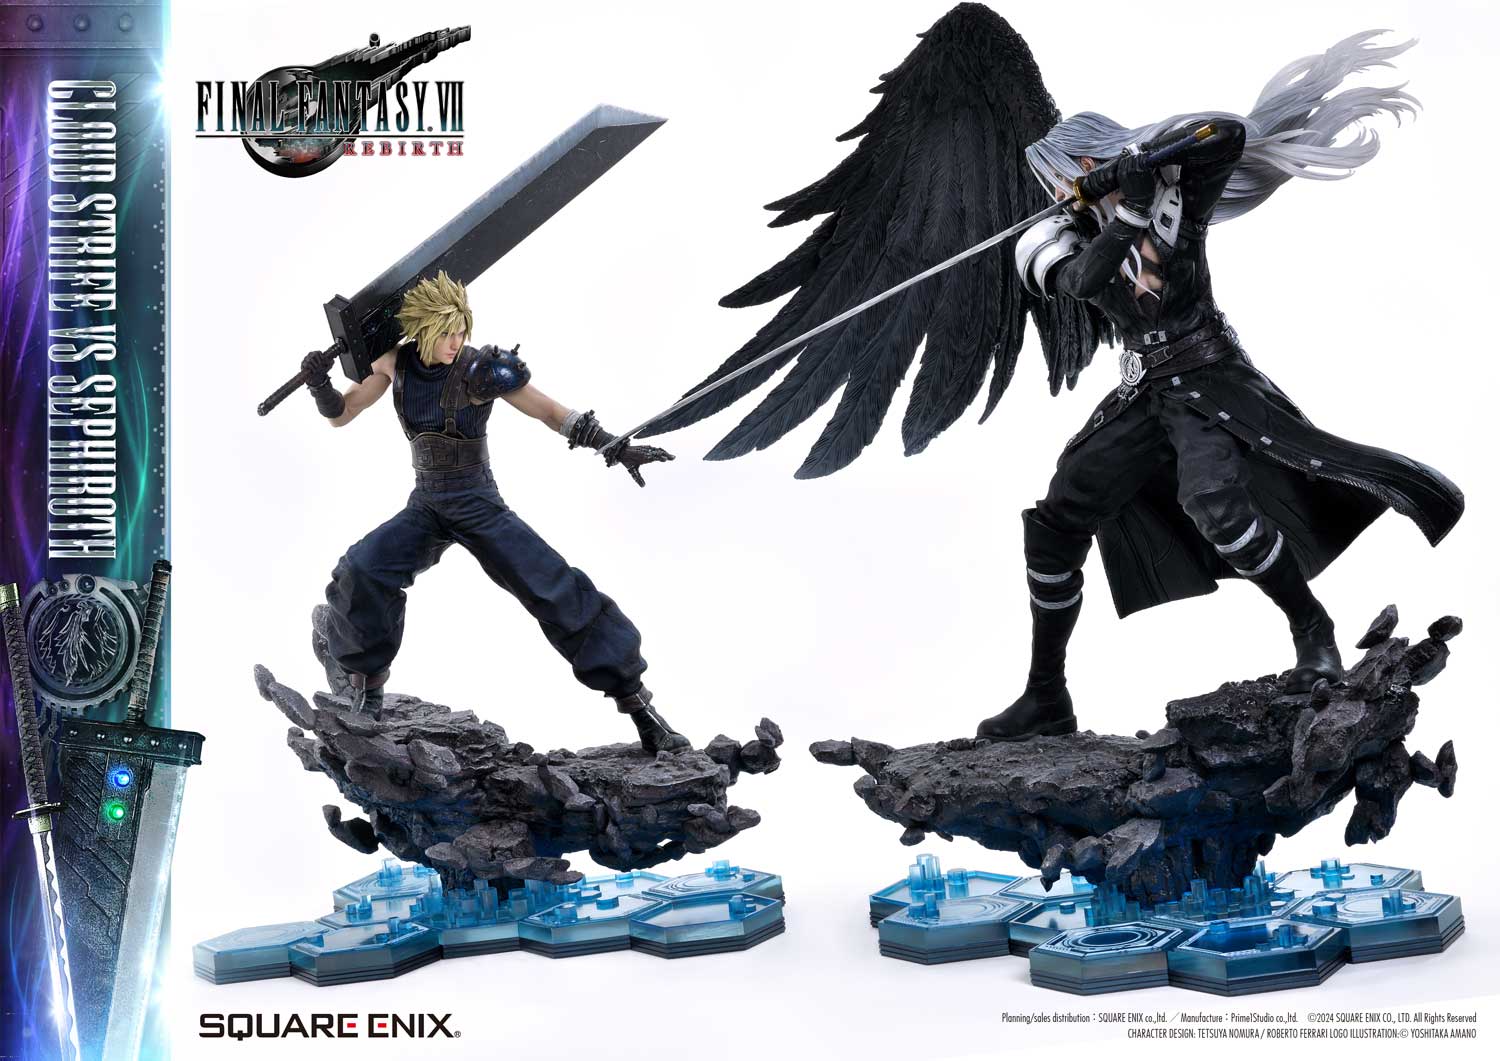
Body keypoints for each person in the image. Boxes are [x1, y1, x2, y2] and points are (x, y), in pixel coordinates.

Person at [299, 271, 690, 752]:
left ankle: (641, 709)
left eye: (461, 329)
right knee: (362, 570)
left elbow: (548, 411)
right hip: (427, 503)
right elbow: (343, 413)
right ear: (421, 329)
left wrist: (613, 445)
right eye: (445, 332)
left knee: (554, 588)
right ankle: (366, 691)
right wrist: (320, 385)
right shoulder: (394, 363)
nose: (455, 341)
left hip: (476, 501)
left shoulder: (479, 369)